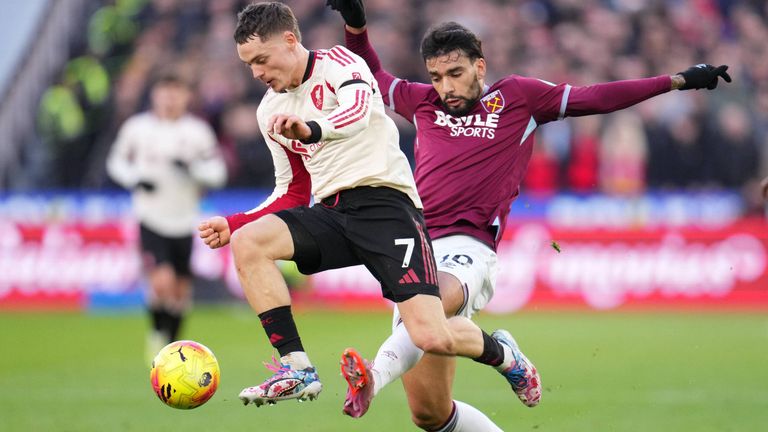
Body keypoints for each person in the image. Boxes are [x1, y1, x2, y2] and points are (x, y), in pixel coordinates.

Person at [327, 0, 733, 430]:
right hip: (415, 246)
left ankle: (372, 374)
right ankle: (504, 354)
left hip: (468, 249)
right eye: (437, 76)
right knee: (430, 414)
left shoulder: (517, 98)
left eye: (455, 74)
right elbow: (370, 74)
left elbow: (594, 98)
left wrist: (676, 80)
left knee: (426, 304)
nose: (445, 86)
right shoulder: (422, 102)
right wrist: (356, 23)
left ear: (480, 67)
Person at [196, 1, 540, 409]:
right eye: (248, 64)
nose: (256, 72)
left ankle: (504, 355)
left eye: (261, 59)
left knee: (431, 335)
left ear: (290, 41)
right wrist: (236, 223)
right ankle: (297, 368)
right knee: (249, 243)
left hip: (387, 210)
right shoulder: (270, 109)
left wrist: (313, 129)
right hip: (332, 213)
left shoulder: (340, 62)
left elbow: (357, 112)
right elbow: (291, 191)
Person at [106, 74, 227, 361]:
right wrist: (135, 179)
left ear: (187, 96)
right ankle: (157, 336)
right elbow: (116, 161)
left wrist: (192, 169)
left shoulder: (197, 131)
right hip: (150, 217)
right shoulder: (137, 128)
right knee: (162, 281)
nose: (170, 98)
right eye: (165, 91)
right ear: (155, 95)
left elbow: (217, 172)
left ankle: (171, 348)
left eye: (177, 91)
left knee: (180, 293)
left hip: (185, 220)